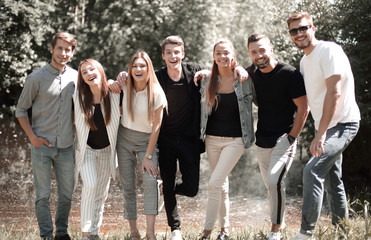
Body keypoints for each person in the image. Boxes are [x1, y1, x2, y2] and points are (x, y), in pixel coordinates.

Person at [112, 35, 248, 240]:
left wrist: (240, 69)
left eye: (177, 52)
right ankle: (175, 228)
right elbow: (134, 78)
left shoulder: (194, 71)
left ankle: (165, 190)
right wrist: (120, 75)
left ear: (182, 54)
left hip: (190, 140)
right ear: (163, 56)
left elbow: (221, 69)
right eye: (169, 52)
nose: (173, 56)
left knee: (192, 188)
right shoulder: (156, 77)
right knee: (167, 182)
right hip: (164, 139)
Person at [287, 12, 361, 240]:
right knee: (332, 180)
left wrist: (320, 134)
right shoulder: (304, 60)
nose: (299, 34)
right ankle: (342, 232)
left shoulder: (328, 51)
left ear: (313, 28)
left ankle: (305, 233)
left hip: (344, 124)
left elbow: (334, 92)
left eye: (303, 28)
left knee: (312, 171)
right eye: (294, 30)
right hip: (327, 128)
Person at [15, 32, 77, 240]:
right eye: (59, 48)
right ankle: (46, 235)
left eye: (67, 49)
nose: (63, 53)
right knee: (43, 196)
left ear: (72, 52)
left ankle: (61, 232)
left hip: (67, 146)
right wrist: (32, 138)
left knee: (66, 195)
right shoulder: (36, 78)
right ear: (51, 49)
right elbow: (21, 110)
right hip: (41, 145)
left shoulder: (77, 77)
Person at [247, 34, 308, 240]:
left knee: (274, 182)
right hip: (262, 139)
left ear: (271, 50)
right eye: (254, 52)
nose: (259, 55)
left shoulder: (290, 74)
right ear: (250, 54)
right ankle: (277, 222)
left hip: (285, 138)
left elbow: (303, 108)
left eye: (262, 50)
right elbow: (226, 73)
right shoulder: (251, 73)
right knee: (272, 186)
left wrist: (291, 138)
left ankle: (276, 231)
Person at [198, 39, 255, 240]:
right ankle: (225, 230)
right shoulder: (207, 80)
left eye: (226, 53)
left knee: (214, 183)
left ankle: (206, 232)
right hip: (212, 140)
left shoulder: (243, 79)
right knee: (221, 185)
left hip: (235, 140)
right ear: (213, 56)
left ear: (233, 55)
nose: (222, 57)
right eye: (218, 53)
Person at [116, 51, 167, 240]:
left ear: (148, 69)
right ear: (130, 69)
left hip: (147, 142)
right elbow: (110, 86)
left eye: (142, 66)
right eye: (134, 66)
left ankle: (150, 233)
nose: (138, 69)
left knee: (150, 182)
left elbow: (157, 127)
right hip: (124, 140)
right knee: (128, 186)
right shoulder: (125, 85)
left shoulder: (156, 91)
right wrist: (118, 78)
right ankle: (134, 231)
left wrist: (147, 156)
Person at [74, 59, 121, 240]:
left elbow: (130, 83)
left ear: (100, 70)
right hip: (86, 151)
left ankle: (94, 232)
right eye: (84, 72)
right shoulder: (78, 97)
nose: (88, 74)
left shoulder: (114, 94)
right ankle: (85, 234)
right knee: (90, 186)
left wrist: (116, 80)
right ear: (83, 78)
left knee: (101, 194)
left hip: (107, 152)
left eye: (91, 69)